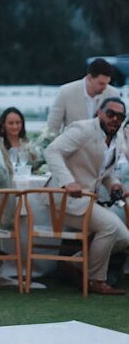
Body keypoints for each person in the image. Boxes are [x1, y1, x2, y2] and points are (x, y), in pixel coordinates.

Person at [44, 96, 129, 295]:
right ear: (100, 112)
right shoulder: (82, 129)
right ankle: (96, 280)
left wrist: (115, 183)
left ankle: (74, 263)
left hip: (87, 199)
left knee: (124, 238)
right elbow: (52, 151)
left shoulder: (116, 137)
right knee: (110, 226)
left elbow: (102, 172)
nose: (115, 119)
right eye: (110, 114)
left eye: (120, 116)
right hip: (65, 199)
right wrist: (67, 181)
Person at [45, 58, 115, 137]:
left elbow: (118, 129)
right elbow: (52, 127)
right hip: (72, 147)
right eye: (101, 83)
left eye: (107, 83)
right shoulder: (66, 92)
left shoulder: (113, 94)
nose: (105, 87)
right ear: (89, 78)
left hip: (102, 148)